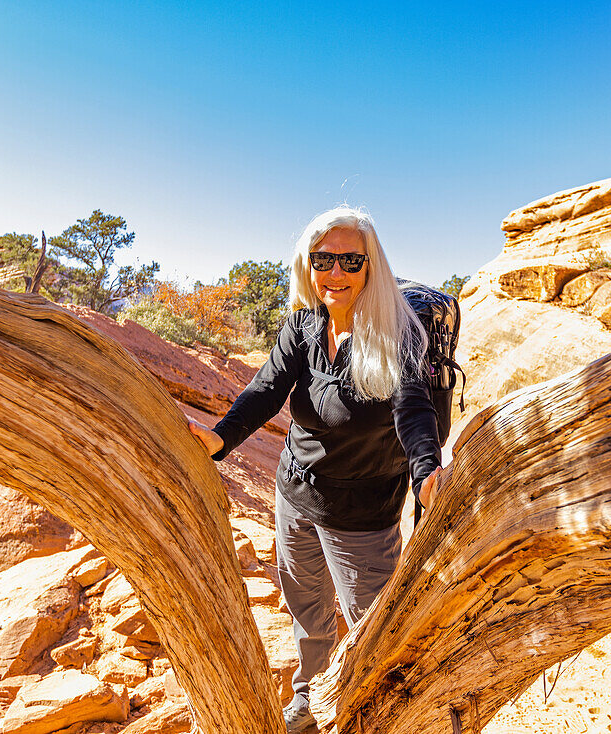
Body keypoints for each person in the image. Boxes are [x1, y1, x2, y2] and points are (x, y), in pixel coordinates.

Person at [188, 206, 443, 734]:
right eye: (324, 259)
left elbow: (413, 409)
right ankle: (308, 693)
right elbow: (264, 391)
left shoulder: (398, 333)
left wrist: (426, 473)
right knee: (306, 605)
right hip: (296, 493)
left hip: (362, 512)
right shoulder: (304, 326)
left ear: (372, 267)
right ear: (307, 264)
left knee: (372, 623)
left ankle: (377, 713)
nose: (336, 273)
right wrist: (220, 438)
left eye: (351, 260)